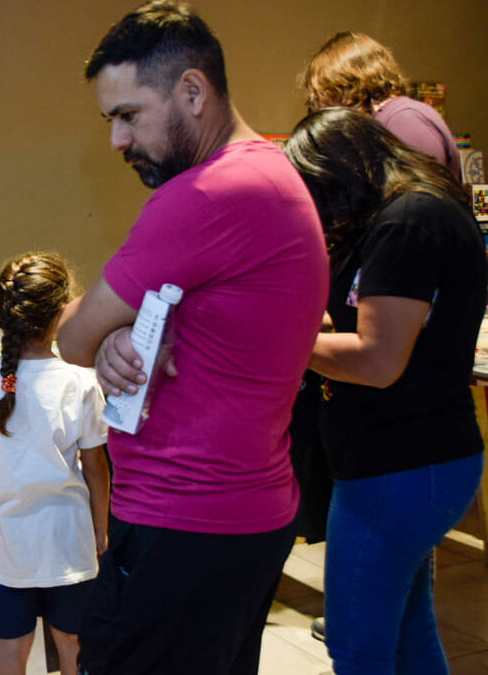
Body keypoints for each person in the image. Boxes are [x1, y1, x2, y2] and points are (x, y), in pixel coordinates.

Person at [54, 3, 329, 673]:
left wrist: (107, 327)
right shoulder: (268, 171)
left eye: (127, 115)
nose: (117, 140)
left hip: (187, 520)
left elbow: (70, 336)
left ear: (191, 91)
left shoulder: (206, 195)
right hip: (241, 512)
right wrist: (124, 328)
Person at [284, 107, 485, 675]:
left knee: (356, 645)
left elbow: (377, 360)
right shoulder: (410, 214)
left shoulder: (408, 222)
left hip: (400, 465)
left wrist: (283, 342)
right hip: (405, 461)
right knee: (409, 636)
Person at [0, 251, 111, 675]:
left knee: (11, 645)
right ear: (60, 314)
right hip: (69, 543)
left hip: (7, 546)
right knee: (73, 644)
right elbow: (96, 468)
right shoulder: (80, 382)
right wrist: (102, 528)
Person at [301, 31, 461, 180]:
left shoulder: (405, 119)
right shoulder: (380, 124)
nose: (320, 108)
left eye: (321, 96)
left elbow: (421, 202)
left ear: (346, 86)